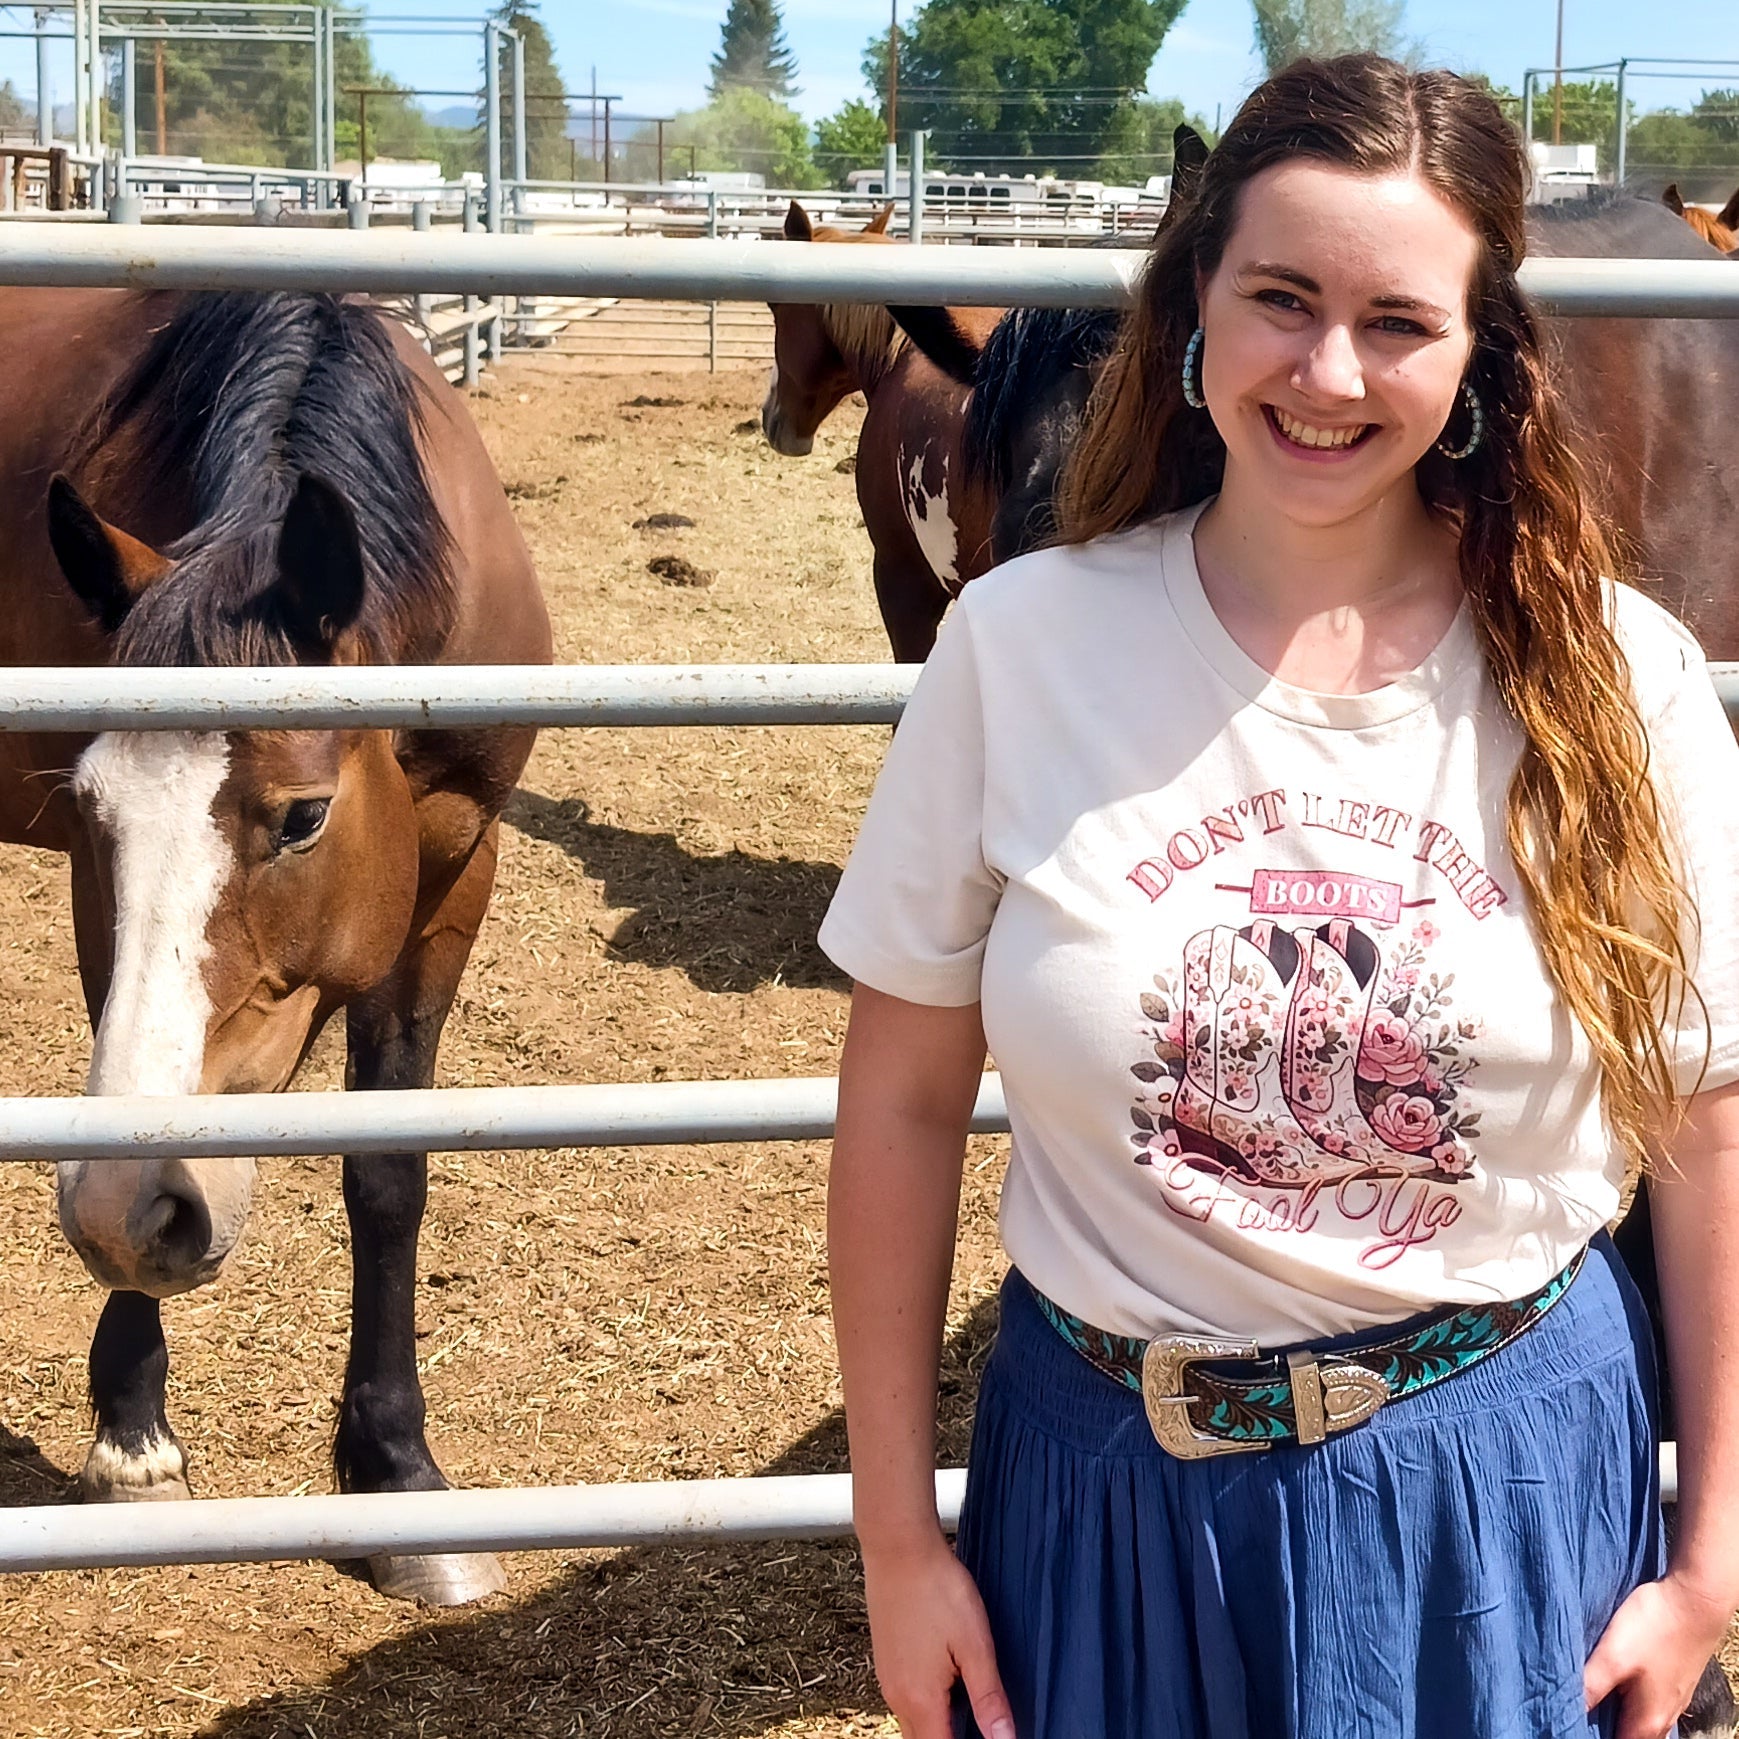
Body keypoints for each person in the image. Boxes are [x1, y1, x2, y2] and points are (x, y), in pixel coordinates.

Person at [819, 54, 1739, 1739]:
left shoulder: (1625, 680)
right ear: (1196, 305)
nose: (1329, 373)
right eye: (1282, 300)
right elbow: (899, 1102)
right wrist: (895, 1540)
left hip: (1500, 1492)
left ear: (1478, 351)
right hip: (1102, 1493)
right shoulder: (1017, 650)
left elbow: (1707, 1121)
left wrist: (1711, 1560)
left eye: (1398, 321)